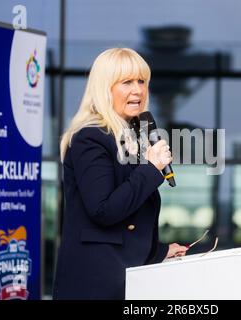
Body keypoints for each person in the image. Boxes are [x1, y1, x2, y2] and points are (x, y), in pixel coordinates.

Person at [52, 48, 188, 300]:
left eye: (142, 81)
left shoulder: (131, 138)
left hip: (123, 281)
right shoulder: (90, 138)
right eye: (127, 82)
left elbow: (128, 224)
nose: (138, 90)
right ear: (105, 89)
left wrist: (158, 252)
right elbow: (104, 211)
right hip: (96, 285)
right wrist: (151, 169)